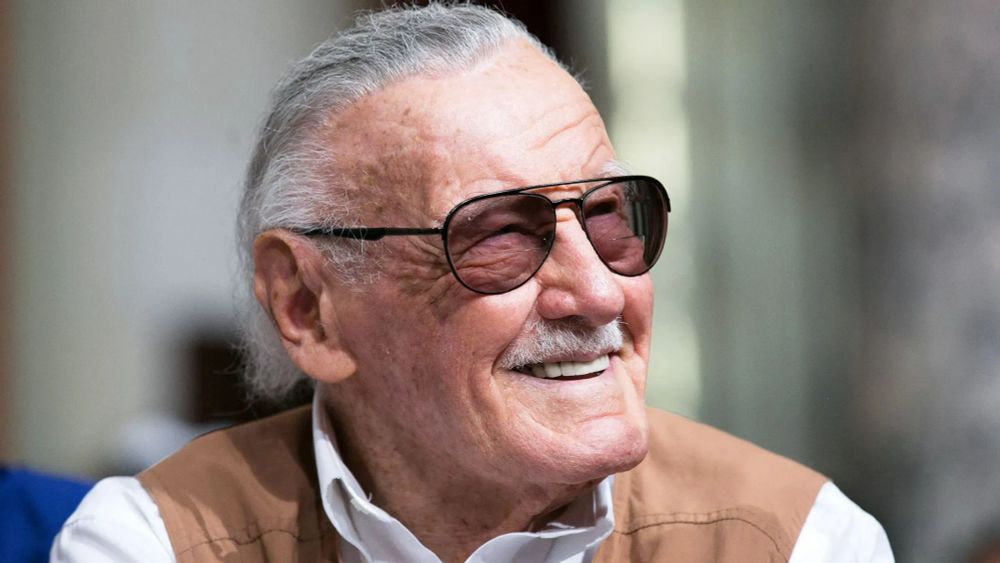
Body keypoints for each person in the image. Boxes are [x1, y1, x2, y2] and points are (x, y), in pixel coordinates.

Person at [51, 4, 893, 562]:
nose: (600, 294)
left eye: (608, 215)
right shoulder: (154, 542)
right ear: (309, 307)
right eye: (500, 236)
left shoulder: (799, 542)